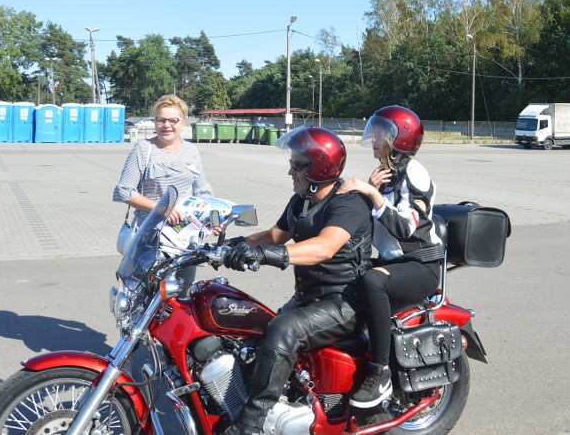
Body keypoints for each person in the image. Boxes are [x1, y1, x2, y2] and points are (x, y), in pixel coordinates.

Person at [221, 126, 373, 435]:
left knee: (282, 330)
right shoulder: (303, 198)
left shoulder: (348, 203)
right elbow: (277, 235)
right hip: (309, 297)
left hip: (344, 301)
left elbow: (325, 246)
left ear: (319, 166)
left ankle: (250, 424)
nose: (290, 171)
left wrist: (264, 255)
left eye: (298, 165)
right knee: (253, 325)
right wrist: (235, 245)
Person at [337, 105, 444, 409]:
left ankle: (380, 372)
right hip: (393, 263)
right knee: (342, 272)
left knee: (373, 281)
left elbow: (406, 228)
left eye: (380, 133)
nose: (372, 138)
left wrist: (372, 194)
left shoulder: (414, 172)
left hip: (420, 265)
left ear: (399, 139)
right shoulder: (387, 174)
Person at [113, 94, 214, 230]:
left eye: (173, 120)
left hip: (185, 232)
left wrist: (211, 220)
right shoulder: (143, 148)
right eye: (161, 120)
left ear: (183, 123)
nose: (167, 125)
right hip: (148, 233)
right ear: (155, 122)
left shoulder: (191, 151)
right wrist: (161, 208)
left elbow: (202, 191)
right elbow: (124, 191)